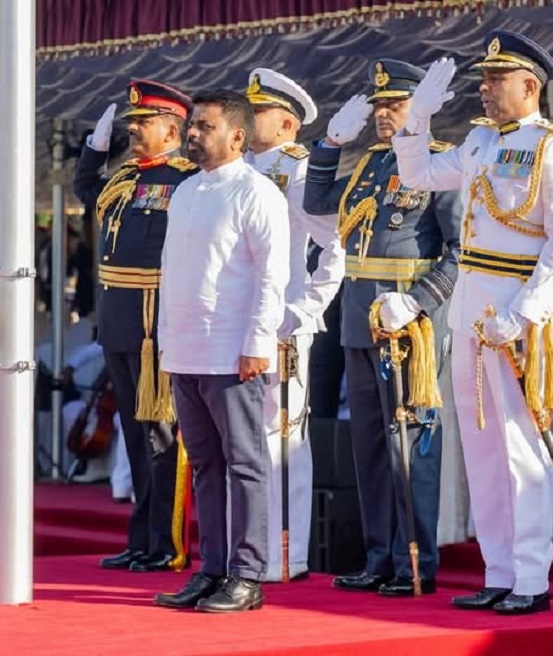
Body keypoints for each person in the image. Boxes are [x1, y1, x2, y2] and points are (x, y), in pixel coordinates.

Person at [392, 30, 553, 613]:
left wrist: (522, 313)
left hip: (521, 310)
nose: (484, 88)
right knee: (481, 447)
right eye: (483, 78)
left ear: (529, 86)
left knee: (523, 448)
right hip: (472, 307)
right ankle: (498, 571)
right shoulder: (479, 140)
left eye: (496, 79)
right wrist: (417, 119)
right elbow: (418, 176)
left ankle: (530, 579)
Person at [304, 59, 462, 597]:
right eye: (379, 106)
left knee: (410, 443)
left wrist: (419, 302)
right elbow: (317, 203)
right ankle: (378, 558)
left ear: (420, 109)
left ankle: (415, 560)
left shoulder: (440, 165)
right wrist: (329, 146)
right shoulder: (371, 164)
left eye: (394, 105)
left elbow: (459, 252)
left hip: (409, 325)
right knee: (369, 446)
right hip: (358, 319)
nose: (383, 114)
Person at [154, 89, 289, 612]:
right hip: (186, 350)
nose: (191, 134)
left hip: (232, 351)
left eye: (204, 127)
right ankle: (211, 568)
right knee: (205, 465)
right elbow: (174, 272)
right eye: (192, 125)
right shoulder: (186, 191)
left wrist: (258, 342)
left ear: (237, 136)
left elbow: (272, 276)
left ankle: (247, 574)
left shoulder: (257, 192)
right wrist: (167, 342)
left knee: (245, 464)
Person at [72, 80, 198, 573]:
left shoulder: (187, 180)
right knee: (134, 436)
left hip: (155, 325)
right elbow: (87, 192)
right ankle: (141, 539)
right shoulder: (124, 178)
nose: (134, 130)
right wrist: (94, 148)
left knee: (161, 437)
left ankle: (167, 544)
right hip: (120, 323)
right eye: (132, 123)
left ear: (172, 130)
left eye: (143, 123)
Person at [243, 67, 345, 582]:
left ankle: (288, 552)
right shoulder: (234, 167)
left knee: (282, 436)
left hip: (281, 322)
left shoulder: (298, 170)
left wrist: (305, 309)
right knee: (239, 437)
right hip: (234, 321)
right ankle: (245, 547)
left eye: (259, 111)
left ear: (287, 123)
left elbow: (335, 247)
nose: (249, 119)